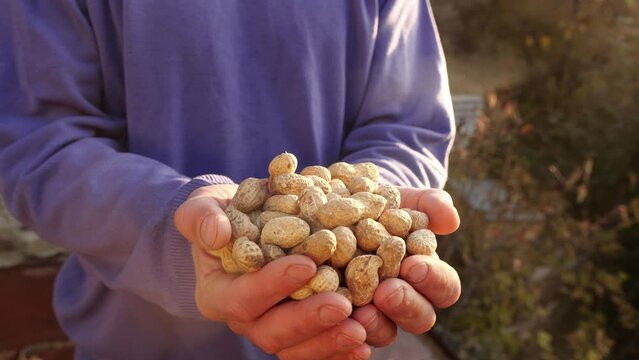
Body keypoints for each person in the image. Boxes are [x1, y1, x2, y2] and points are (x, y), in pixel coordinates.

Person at [0, 1, 461, 359]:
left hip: (343, 339)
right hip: (139, 347)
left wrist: (382, 212)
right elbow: (40, 144)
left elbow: (407, 125)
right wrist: (182, 228)